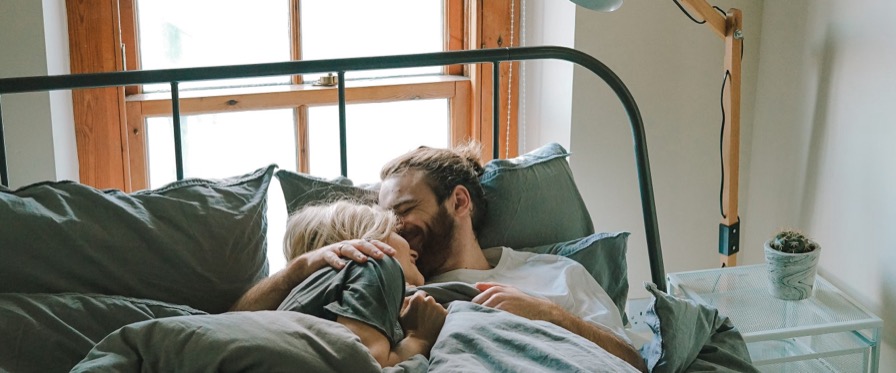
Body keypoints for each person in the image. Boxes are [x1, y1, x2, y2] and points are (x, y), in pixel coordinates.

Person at [232, 142, 647, 372]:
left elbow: (635, 363)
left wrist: (549, 315)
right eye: (384, 218)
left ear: (459, 202)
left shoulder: (556, 274)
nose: (393, 227)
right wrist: (301, 267)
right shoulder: (382, 275)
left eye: (404, 210)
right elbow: (240, 324)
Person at [234, 200, 447, 368]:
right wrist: (420, 339)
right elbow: (367, 365)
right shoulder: (374, 264)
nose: (414, 250)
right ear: (368, 238)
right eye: (396, 232)